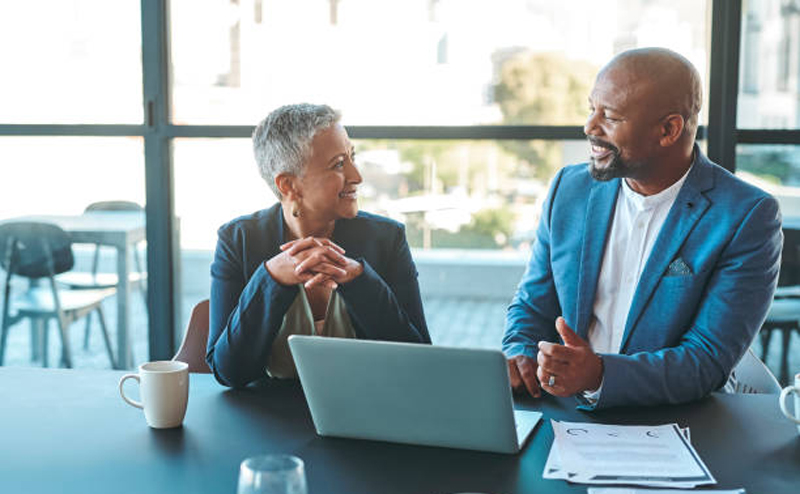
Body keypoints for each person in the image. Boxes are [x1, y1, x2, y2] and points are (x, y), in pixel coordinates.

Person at [503, 48, 782, 410]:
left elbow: (707, 360)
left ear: (668, 130)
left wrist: (600, 375)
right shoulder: (568, 190)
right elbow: (532, 305)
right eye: (591, 109)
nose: (590, 127)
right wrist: (520, 353)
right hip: (564, 411)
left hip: (679, 424)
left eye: (611, 117)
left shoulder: (746, 216)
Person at [207, 103, 430, 387]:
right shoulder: (237, 240)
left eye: (352, 157)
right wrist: (269, 279)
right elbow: (228, 372)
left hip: (371, 412)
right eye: (339, 164)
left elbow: (419, 359)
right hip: (270, 420)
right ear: (288, 185)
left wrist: (360, 280)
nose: (356, 176)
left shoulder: (387, 239)